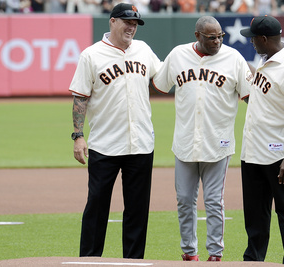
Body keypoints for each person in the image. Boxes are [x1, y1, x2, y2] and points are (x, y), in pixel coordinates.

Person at [151, 16, 252, 262]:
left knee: (214, 201)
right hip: (185, 142)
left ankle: (215, 254)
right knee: (184, 200)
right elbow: (160, 84)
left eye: (220, 36)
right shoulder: (178, 55)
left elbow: (251, 97)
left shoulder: (234, 59)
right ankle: (189, 252)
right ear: (197, 35)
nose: (217, 41)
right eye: (211, 37)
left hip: (218, 142)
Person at [69, 3, 161, 259]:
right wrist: (78, 136)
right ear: (112, 22)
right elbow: (80, 98)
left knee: (137, 210)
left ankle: (133, 262)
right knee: (97, 206)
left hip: (141, 143)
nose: (131, 27)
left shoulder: (143, 50)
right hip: (104, 144)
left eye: (135, 23)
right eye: (127, 22)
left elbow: (163, 76)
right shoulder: (91, 55)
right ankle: (89, 259)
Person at [239, 15, 284, 266]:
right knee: (255, 214)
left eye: (252, 39)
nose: (250, 42)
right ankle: (253, 260)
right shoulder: (265, 61)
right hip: (252, 151)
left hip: (277, 154)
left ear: (263, 39)